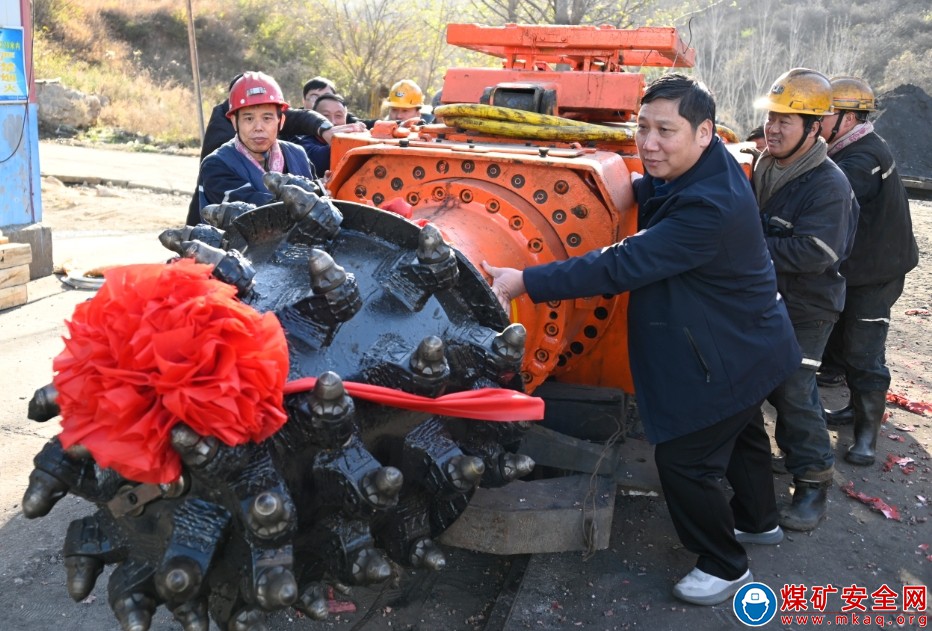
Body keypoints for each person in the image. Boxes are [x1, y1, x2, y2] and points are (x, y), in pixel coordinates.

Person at [483, 74, 801, 607]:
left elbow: (622, 264)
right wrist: (618, 185)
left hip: (728, 353)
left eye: (665, 132)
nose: (649, 144)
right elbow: (660, 188)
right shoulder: (713, 164)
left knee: (684, 461)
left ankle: (725, 564)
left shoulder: (710, 207)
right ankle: (758, 520)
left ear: (704, 132)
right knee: (744, 435)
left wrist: (524, 281)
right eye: (642, 128)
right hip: (756, 342)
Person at [751, 68, 858, 530]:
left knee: (794, 391)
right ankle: (793, 453)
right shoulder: (766, 164)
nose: (773, 128)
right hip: (773, 296)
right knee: (766, 384)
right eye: (771, 118)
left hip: (809, 306)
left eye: (786, 121)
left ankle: (813, 480)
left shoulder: (828, 184)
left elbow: (819, 251)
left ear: (814, 128)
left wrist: (746, 250)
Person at [817, 77, 919, 465]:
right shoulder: (854, 146)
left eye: (824, 115)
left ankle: (866, 435)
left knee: (863, 352)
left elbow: (828, 198)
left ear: (847, 118)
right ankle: (854, 410)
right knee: (846, 343)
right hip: (861, 267)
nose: (817, 122)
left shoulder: (862, 159)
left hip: (876, 273)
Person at [186, 73, 337, 225]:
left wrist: (323, 188)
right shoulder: (216, 164)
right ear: (234, 121)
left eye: (267, 118)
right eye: (249, 118)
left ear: (281, 121)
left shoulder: (298, 154)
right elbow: (255, 213)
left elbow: (315, 204)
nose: (258, 127)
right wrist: (311, 197)